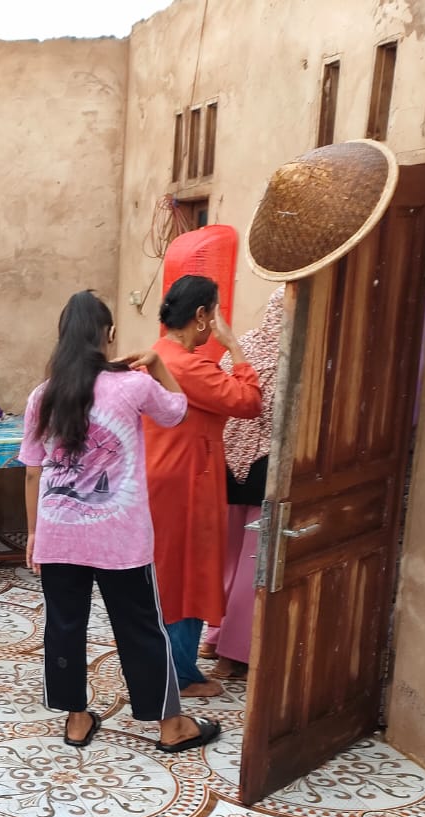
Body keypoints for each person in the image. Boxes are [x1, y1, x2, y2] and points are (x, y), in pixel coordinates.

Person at [21, 290, 221, 753]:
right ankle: (171, 727)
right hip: (120, 538)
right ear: (108, 336)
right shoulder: (132, 384)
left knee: (65, 625)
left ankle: (75, 720)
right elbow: (177, 412)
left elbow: (33, 470)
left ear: (62, 338)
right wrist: (159, 365)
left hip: (60, 532)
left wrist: (33, 532)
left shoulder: (41, 396)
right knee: (140, 628)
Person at [145, 274, 263, 697]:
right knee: (187, 576)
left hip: (163, 477)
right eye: (214, 313)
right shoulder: (187, 365)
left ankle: (170, 665)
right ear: (201, 316)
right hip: (187, 484)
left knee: (168, 574)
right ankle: (179, 674)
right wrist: (233, 346)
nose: (216, 321)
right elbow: (248, 402)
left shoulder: (160, 354)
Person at [204, 285, 285, 677]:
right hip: (265, 467)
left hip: (226, 463)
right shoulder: (295, 357)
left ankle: (215, 635)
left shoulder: (244, 347)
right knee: (254, 560)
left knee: (228, 555)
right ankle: (234, 653)